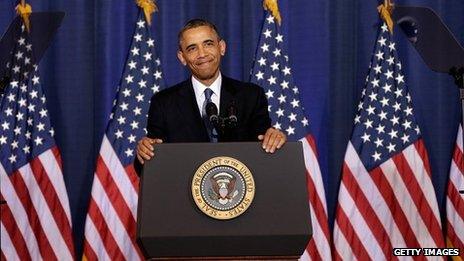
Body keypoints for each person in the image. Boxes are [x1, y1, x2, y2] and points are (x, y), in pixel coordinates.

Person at [136, 19, 286, 164]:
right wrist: (144, 152)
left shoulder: (251, 96)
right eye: (192, 48)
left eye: (208, 44)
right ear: (182, 57)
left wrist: (274, 139)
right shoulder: (163, 102)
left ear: (221, 47)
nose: (202, 54)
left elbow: (265, 151)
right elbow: (152, 164)